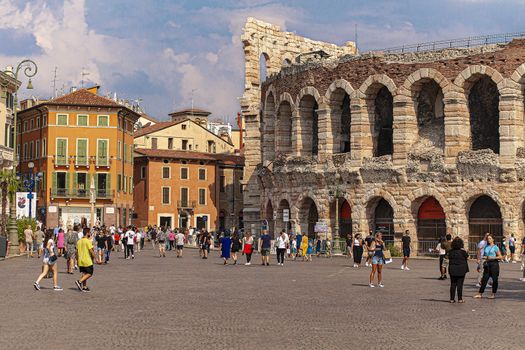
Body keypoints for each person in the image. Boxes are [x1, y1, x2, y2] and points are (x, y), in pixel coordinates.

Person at [474, 234, 503, 299]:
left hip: (494, 264)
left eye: (490, 238)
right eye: (488, 238)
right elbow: (485, 255)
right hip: (487, 264)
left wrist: (492, 257)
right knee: (484, 279)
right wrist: (482, 260)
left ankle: (493, 294)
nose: (488, 240)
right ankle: (480, 293)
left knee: (494, 279)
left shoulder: (495, 247)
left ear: (493, 239)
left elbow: (500, 257)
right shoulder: (486, 247)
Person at [75, 228, 97, 293]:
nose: (90, 234)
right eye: (89, 232)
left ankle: (84, 287)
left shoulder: (79, 241)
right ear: (87, 233)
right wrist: (96, 258)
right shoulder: (87, 241)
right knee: (90, 273)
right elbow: (91, 251)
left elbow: (76, 252)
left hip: (80, 260)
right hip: (87, 260)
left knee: (84, 273)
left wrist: (77, 260)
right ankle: (79, 281)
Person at [448, 237, 469, 303]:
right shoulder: (462, 252)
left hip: (452, 269)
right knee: (460, 284)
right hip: (461, 269)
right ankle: (460, 299)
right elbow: (468, 257)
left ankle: (452, 299)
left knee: (453, 284)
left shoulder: (450, 252)